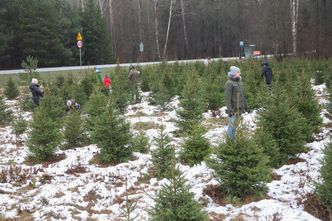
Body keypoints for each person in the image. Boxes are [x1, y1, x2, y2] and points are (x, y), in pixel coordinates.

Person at [224, 66, 248, 140]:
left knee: (236, 125)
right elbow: (227, 98)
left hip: (240, 108)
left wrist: (246, 106)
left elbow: (242, 95)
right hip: (233, 109)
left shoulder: (239, 82)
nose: (240, 73)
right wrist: (229, 109)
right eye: (238, 72)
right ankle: (229, 141)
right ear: (234, 73)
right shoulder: (229, 83)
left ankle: (233, 139)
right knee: (232, 126)